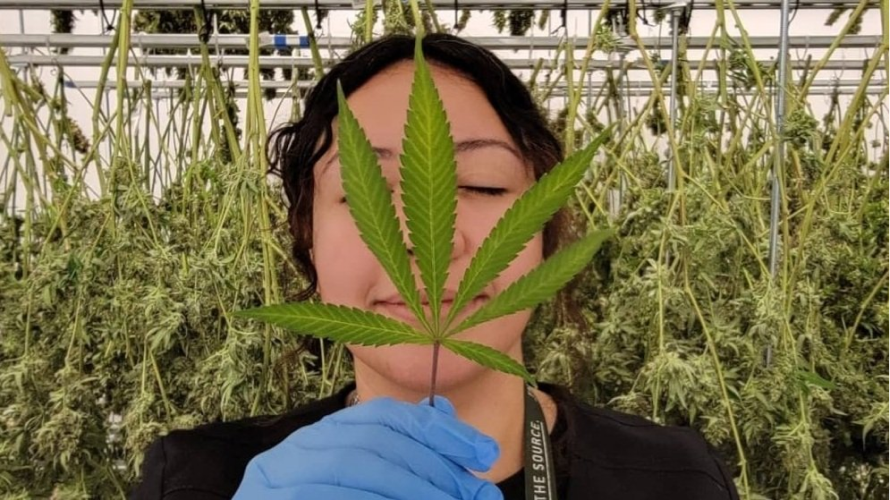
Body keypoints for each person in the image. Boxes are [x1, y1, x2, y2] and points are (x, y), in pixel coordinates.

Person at [130, 33, 740, 500]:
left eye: (479, 184)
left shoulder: (675, 478)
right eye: (366, 193)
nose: (428, 242)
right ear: (308, 239)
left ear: (544, 236)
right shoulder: (196, 479)